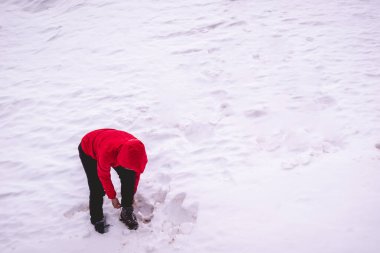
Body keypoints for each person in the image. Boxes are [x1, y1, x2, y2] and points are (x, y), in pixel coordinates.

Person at [78, 129, 148, 233]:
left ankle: (126, 212)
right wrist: (113, 197)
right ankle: (96, 218)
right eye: (127, 166)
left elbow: (135, 174)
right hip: (88, 148)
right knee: (96, 186)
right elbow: (104, 176)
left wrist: (131, 194)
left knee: (129, 177)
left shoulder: (136, 151)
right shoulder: (106, 153)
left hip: (113, 143)